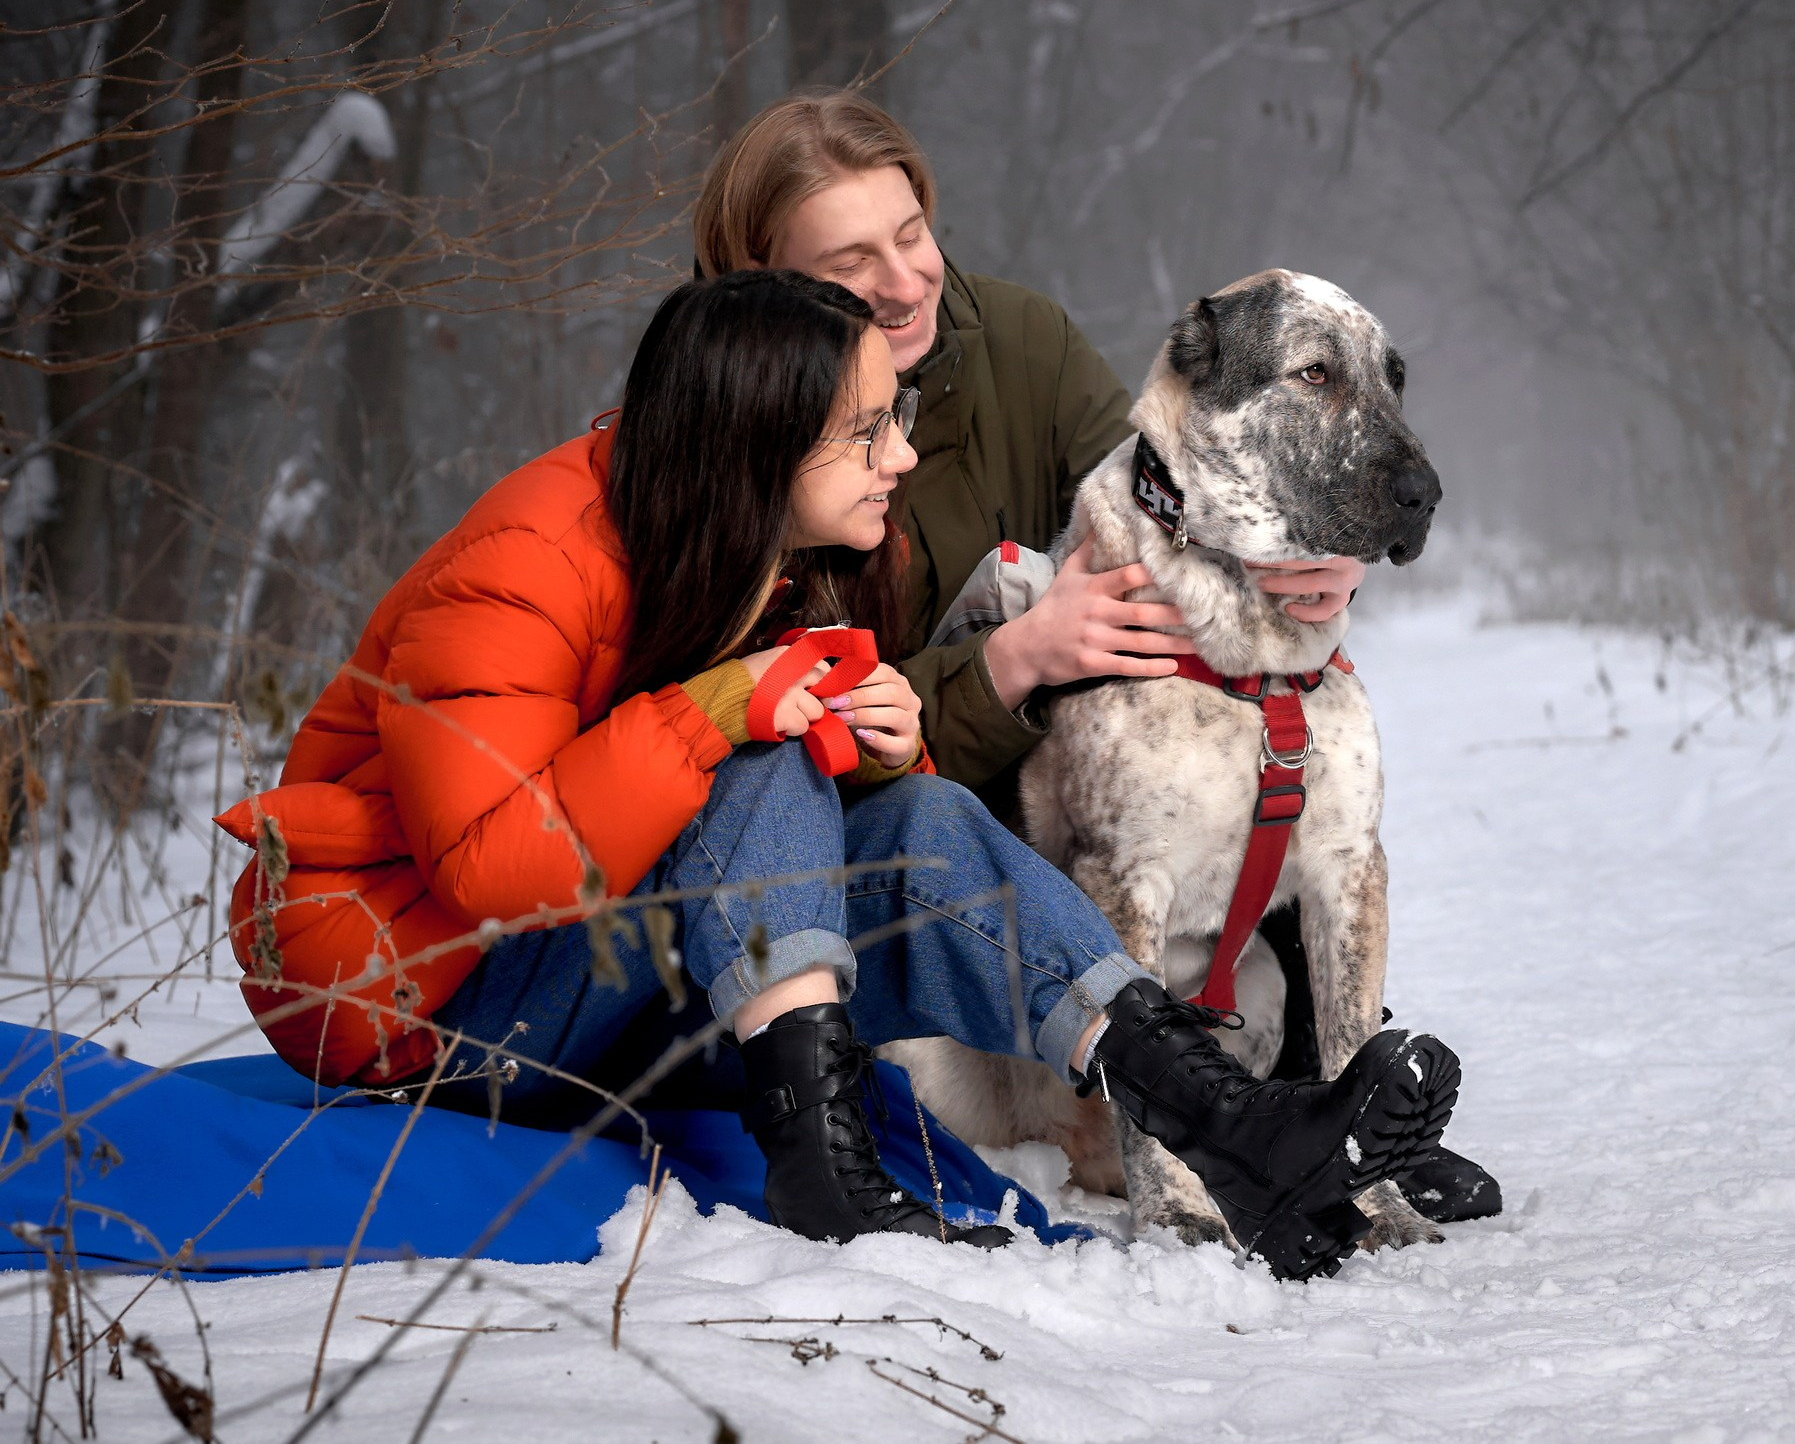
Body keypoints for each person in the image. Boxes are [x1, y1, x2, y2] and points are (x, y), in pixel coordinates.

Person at [217, 269, 1459, 1280]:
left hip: (617, 971)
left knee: (912, 809)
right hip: (426, 1003)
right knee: (752, 758)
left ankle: (1223, 1125)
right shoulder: (516, 566)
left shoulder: (771, 548)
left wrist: (883, 742)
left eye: (897, 420)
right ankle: (825, 1164)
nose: (902, 458)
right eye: (868, 430)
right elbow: (491, 869)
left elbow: (784, 838)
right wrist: (723, 707)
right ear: (760, 444)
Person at [689, 91, 1500, 1223]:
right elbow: (780, 736)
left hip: (1052, 789)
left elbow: (1167, 488)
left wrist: (1319, 549)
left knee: (1262, 752)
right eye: (851, 258)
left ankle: (1330, 1110)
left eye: (912, 233)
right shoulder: (727, 423)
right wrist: (1011, 662)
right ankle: (1199, 1127)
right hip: (933, 830)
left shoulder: (1011, 337)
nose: (907, 278)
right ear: (763, 278)